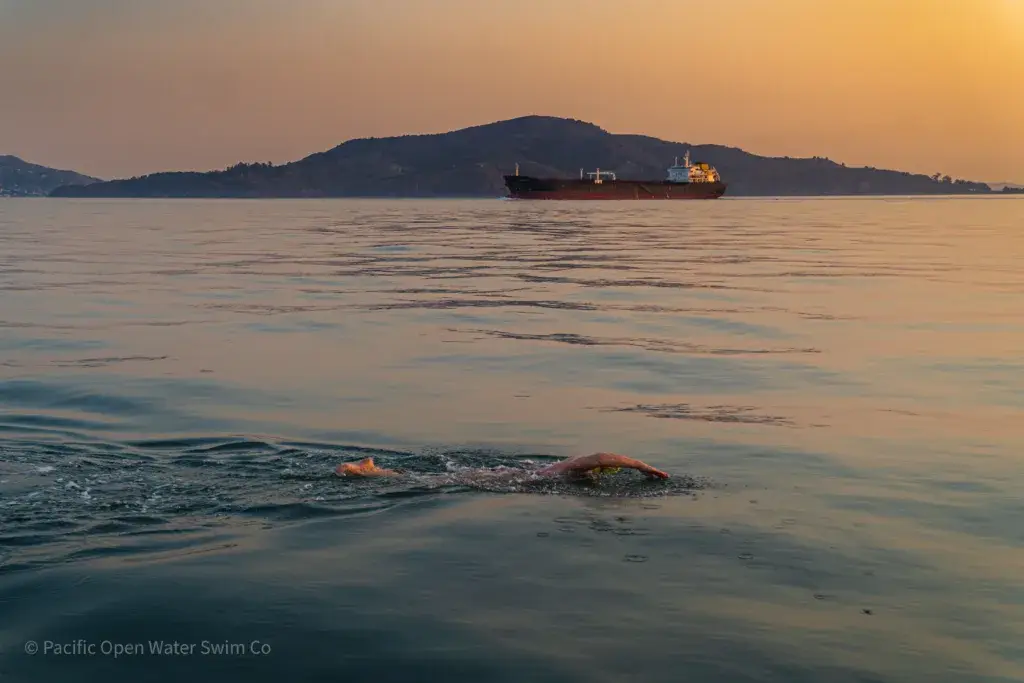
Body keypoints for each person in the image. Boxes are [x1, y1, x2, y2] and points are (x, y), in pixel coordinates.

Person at [335, 452, 669, 481]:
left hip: (502, 475)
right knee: (433, 480)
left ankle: (369, 469)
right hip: (504, 478)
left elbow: (600, 459)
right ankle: (362, 470)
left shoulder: (563, 471)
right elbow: (599, 457)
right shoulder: (568, 471)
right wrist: (642, 466)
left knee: (435, 477)